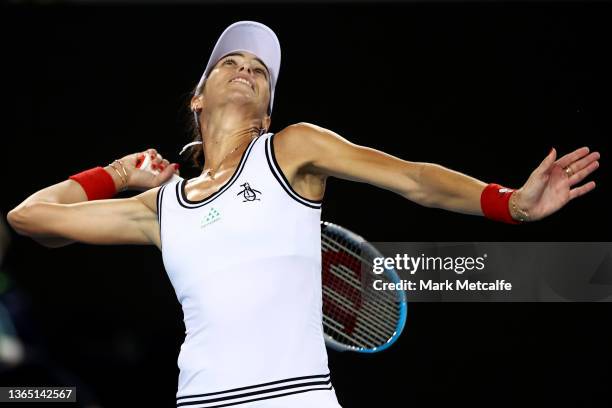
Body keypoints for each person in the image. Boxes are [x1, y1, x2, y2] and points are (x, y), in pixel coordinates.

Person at [6, 21, 600, 408]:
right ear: (197, 96)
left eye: (259, 71)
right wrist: (115, 175)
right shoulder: (160, 208)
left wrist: (510, 204)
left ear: (267, 112)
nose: (246, 68)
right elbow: (29, 217)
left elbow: (413, 177)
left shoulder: (290, 149)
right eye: (231, 62)